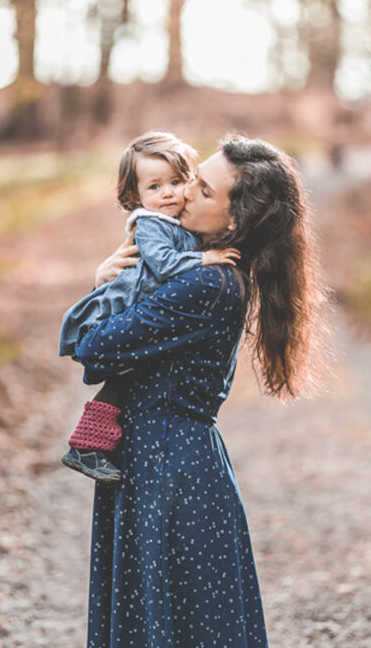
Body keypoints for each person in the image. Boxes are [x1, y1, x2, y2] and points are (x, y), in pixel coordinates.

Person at [65, 136, 327, 646]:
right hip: (165, 456)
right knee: (174, 615)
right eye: (190, 180)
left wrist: (100, 291)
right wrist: (106, 279)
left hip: (169, 467)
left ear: (235, 222)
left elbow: (93, 348)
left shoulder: (207, 283)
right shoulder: (201, 265)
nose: (182, 196)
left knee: (175, 619)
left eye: (202, 190)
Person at [59, 132, 239, 482]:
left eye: (176, 181)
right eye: (154, 187)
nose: (168, 192)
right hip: (127, 302)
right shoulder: (150, 224)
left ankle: (90, 444)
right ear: (135, 196)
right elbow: (166, 265)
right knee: (121, 377)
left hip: (142, 303)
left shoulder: (174, 222)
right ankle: (86, 445)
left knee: (129, 379)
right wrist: (206, 258)